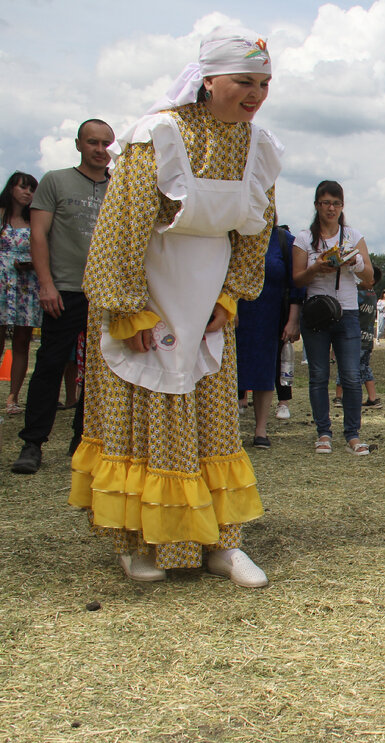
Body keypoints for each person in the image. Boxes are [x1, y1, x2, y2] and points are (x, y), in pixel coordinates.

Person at [67, 27, 281, 586]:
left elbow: (257, 232)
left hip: (208, 296)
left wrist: (232, 294)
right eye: (244, 82)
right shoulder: (160, 134)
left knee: (212, 423)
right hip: (149, 285)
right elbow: (122, 224)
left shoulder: (259, 147)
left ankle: (220, 542)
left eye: (263, 83)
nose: (255, 93)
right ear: (209, 80)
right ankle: (138, 540)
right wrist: (128, 307)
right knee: (147, 417)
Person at [11, 120, 114, 474]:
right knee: (51, 364)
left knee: (101, 371)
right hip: (65, 288)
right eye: (93, 142)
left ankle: (83, 441)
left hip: (106, 293)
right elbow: (38, 235)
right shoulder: (56, 181)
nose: (100, 149)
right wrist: (46, 284)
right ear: (79, 145)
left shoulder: (121, 186)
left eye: (106, 143)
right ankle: (32, 442)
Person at [293, 179, 375, 456]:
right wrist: (316, 268)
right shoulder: (304, 238)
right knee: (318, 375)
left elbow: (369, 278)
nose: (331, 208)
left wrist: (355, 262)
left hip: (347, 313)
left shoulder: (352, 235)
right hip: (316, 313)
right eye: (326, 202)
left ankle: (352, 434)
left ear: (342, 206)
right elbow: (295, 279)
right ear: (317, 205)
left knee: (351, 376)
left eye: (336, 203)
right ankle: (323, 432)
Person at [236, 223, 301, 449]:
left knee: (265, 371)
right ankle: (228, 429)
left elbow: (296, 285)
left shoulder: (284, 241)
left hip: (270, 316)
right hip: (235, 315)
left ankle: (260, 430)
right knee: (230, 369)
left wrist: (293, 319)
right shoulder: (235, 233)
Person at [0, 172, 40, 417]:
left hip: (27, 284)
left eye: (32, 189)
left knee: (22, 342)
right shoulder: (1, 214)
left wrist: (32, 264)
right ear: (11, 188)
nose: (27, 193)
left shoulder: (35, 218)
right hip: (2, 282)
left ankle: (13, 397)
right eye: (23, 187)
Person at [336, 265, 383, 409]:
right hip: (367, 340)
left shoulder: (359, 296)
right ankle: (372, 398)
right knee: (365, 368)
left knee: (345, 366)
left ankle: (338, 397)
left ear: (371, 280)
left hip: (355, 338)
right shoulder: (373, 295)